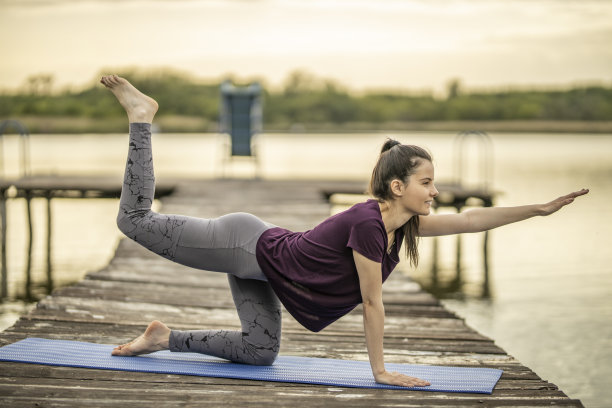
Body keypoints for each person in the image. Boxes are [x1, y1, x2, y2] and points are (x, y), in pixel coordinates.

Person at [100, 75, 588, 388]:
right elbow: (373, 303)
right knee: (133, 220)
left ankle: (163, 339)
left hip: (265, 268)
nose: (435, 192)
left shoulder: (402, 224)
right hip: (242, 243)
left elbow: (469, 220)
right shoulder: (367, 224)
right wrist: (380, 373)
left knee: (259, 352)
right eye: (427, 183)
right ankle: (142, 118)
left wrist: (538, 210)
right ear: (398, 186)